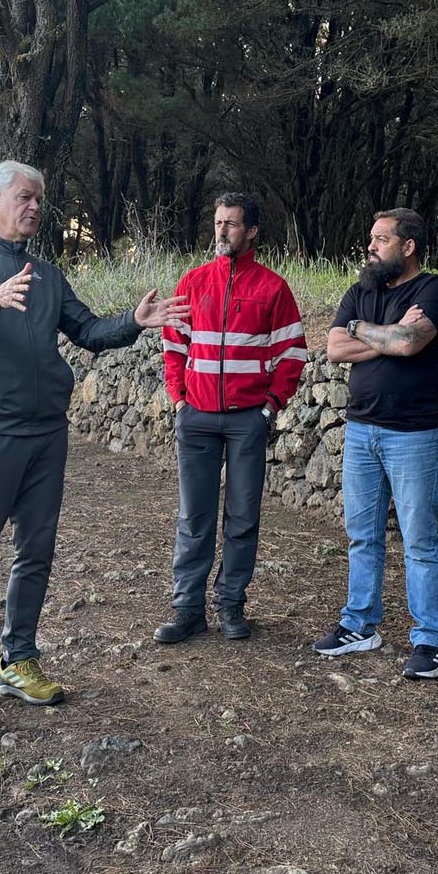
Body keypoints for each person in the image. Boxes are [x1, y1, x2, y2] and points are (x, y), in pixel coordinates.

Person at [0, 161, 189, 734]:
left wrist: (134, 321)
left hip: (46, 431)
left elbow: (88, 330)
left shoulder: (45, 274)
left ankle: (18, 661)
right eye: (25, 197)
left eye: (40, 199)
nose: (35, 207)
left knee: (36, 553)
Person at [155, 193, 307, 644]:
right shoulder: (194, 281)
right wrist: (179, 399)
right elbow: (174, 345)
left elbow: (292, 353)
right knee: (193, 517)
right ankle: (187, 609)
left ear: (252, 231)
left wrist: (269, 407)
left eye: (232, 224)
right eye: (218, 222)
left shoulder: (273, 288)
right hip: (196, 416)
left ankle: (231, 605)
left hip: (247, 420)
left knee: (243, 517)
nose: (222, 231)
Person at [316, 208, 438, 679]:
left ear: (408, 245)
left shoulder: (433, 290)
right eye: (371, 237)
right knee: (362, 535)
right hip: (360, 430)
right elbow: (335, 347)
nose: (371, 246)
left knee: (418, 541)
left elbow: (411, 343)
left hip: (413, 435)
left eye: (381, 239)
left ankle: (430, 640)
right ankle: (360, 625)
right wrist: (380, 334)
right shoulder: (362, 290)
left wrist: (364, 331)